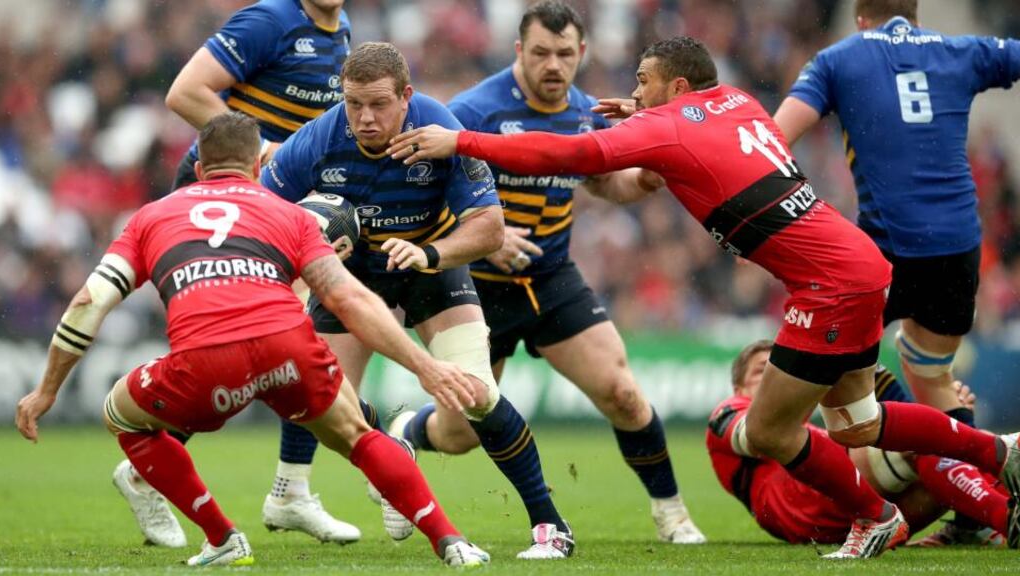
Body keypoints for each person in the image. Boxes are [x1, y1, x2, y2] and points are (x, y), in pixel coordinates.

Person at [386, 36, 1020, 558]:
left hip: (829, 285)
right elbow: (695, 145)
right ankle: (1002, 452)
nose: (633, 91)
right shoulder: (738, 100)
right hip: (858, 262)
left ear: (678, 88)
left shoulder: (669, 126)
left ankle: (874, 516)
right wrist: (644, 118)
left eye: (642, 80)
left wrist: (461, 140)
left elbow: (574, 152)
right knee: (860, 421)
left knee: (768, 431)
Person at [14, 112, 491, 568]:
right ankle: (451, 542)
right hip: (286, 346)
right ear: (259, 167)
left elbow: (89, 302)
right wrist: (425, 366)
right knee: (358, 437)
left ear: (199, 169)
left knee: (120, 414)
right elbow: (350, 300)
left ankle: (222, 537)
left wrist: (48, 389)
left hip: (204, 362)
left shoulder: (150, 217)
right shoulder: (291, 215)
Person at [389, 0, 704, 545]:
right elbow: (424, 193)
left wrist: (650, 179)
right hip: (476, 289)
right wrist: (489, 234)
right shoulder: (473, 110)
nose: (553, 65)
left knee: (623, 393)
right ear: (518, 51)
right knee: (460, 433)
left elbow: (606, 184)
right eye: (540, 53)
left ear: (583, 52)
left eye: (564, 54)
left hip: (552, 278)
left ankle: (672, 513)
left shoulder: (584, 111)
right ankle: (407, 431)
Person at [261, 41, 575, 559]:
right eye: (353, 103)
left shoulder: (438, 128)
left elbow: (491, 229)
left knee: (475, 393)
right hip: (352, 276)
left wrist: (430, 253)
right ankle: (390, 458)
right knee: (319, 401)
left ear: (407, 96)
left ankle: (550, 525)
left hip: (430, 268)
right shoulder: (315, 141)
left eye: (379, 104)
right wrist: (297, 270)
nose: (364, 118)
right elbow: (263, 215)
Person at [115, 0, 359, 548]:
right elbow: (185, 93)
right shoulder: (269, 20)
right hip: (227, 193)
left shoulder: (339, 28)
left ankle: (291, 489)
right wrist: (270, 155)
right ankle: (145, 466)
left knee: (298, 341)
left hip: (278, 200)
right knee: (247, 345)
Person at [773, 1, 1020, 540]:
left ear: (861, 16)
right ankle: (979, 511)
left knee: (842, 390)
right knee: (931, 377)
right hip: (957, 246)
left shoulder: (836, 59)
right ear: (915, 12)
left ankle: (870, 507)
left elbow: (774, 139)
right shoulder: (963, 49)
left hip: (883, 253)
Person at [708, 340, 1014, 547]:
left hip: (855, 511)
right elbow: (759, 435)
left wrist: (953, 423)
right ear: (738, 386)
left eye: (779, 371)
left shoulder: (807, 429)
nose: (774, 379)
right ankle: (1003, 518)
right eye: (763, 371)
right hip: (803, 502)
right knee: (934, 444)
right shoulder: (727, 412)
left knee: (951, 443)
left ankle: (972, 523)